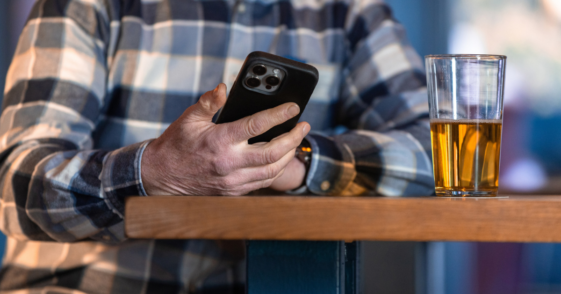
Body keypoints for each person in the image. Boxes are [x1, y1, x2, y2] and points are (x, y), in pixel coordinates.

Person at [0, 0, 433, 293]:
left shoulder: (345, 11)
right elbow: (15, 186)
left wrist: (300, 161)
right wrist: (152, 171)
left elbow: (437, 155)